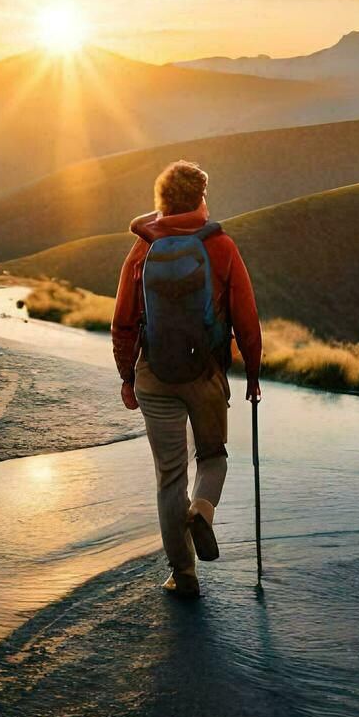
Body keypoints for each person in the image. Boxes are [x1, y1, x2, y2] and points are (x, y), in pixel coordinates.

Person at [112, 160, 261, 599]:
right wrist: (252, 374)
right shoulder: (221, 247)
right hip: (206, 374)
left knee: (168, 477)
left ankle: (183, 574)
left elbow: (123, 320)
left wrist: (126, 376)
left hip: (154, 374)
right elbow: (247, 320)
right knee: (213, 457)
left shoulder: (142, 250)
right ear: (200, 199)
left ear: (160, 202)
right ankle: (203, 510)